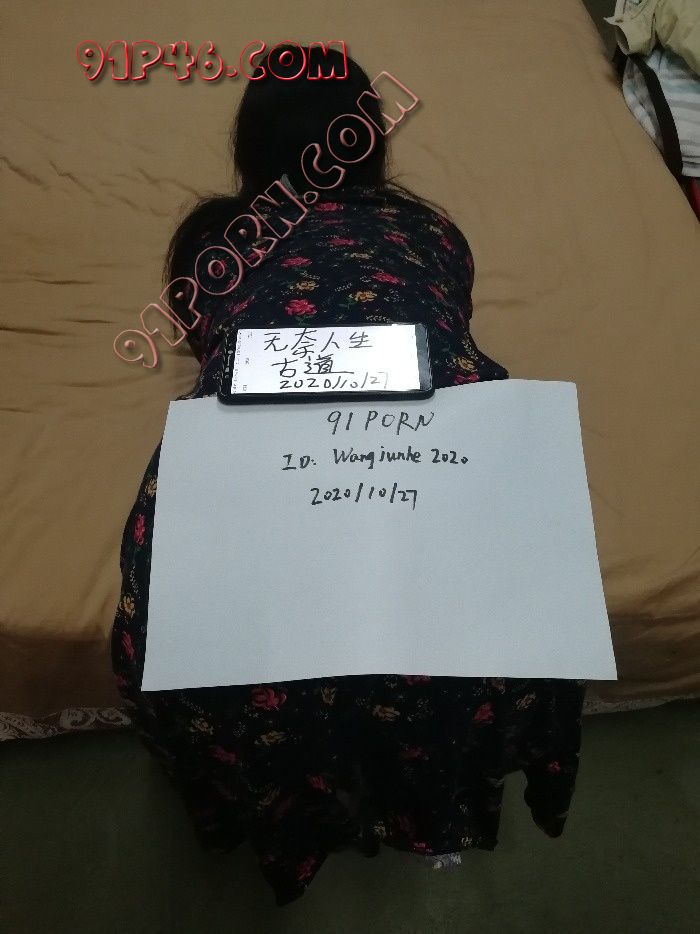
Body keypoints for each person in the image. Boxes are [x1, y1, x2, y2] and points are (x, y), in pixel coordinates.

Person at [112, 45, 586, 906]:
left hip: (253, 476)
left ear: (251, 148)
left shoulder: (217, 243)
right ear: (371, 142)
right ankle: (421, 791)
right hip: (450, 460)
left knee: (179, 624)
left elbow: (201, 335)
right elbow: (449, 315)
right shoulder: (432, 232)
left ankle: (269, 810)